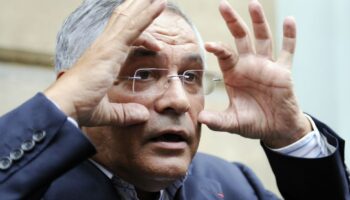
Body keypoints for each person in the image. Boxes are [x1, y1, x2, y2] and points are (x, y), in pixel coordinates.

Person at [0, 0, 349, 199]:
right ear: (78, 90)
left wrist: (293, 136)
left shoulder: (233, 185)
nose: (178, 101)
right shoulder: (31, 186)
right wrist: (58, 107)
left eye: (191, 77)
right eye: (144, 75)